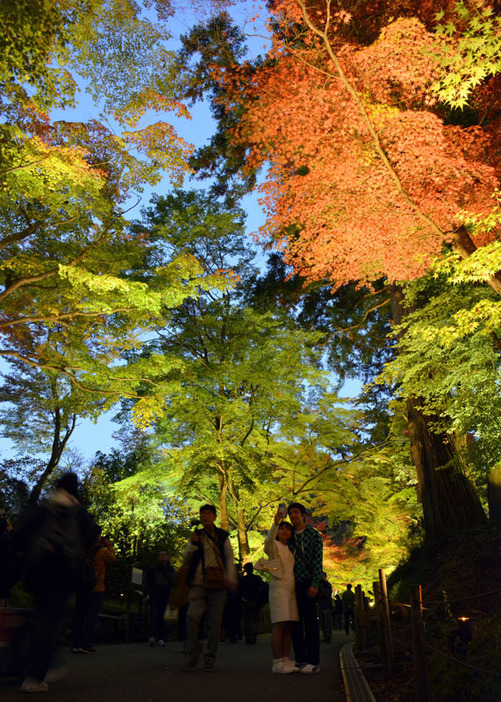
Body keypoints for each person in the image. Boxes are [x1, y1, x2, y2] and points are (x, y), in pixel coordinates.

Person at [16, 472, 95, 692]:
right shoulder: (77, 511)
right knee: (51, 622)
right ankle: (35, 676)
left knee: (41, 619)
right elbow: (90, 537)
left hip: (38, 572)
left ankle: (41, 665)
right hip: (62, 573)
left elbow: (22, 535)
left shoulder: (45, 506)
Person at [183, 504, 237, 672]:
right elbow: (186, 559)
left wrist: (230, 578)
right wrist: (192, 545)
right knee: (192, 617)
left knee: (215, 622)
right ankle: (194, 649)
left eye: (208, 513)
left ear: (214, 516)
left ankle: (209, 658)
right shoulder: (196, 535)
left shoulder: (222, 536)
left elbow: (229, 558)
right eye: (202, 514)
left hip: (218, 583)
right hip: (198, 583)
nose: (204, 517)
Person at [288, 501, 323, 674]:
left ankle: (313, 661)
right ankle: (300, 658)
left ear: (303, 515)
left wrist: (315, 583)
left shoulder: (314, 535)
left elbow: (318, 561)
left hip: (308, 584)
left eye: (296, 512)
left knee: (310, 623)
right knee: (295, 623)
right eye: (290, 513)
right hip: (292, 585)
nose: (293, 515)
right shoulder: (288, 536)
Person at [263, 510, 299, 674]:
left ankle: (286, 658)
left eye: (288, 529)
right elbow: (267, 542)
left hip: (290, 591)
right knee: (279, 625)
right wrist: (275, 523)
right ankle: (277, 661)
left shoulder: (290, 549)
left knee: (288, 626)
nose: (285, 531)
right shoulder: (275, 547)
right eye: (282, 529)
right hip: (278, 589)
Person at [71, 528, 116, 653]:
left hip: (82, 588)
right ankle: (86, 644)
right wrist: (110, 546)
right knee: (91, 617)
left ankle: (75, 644)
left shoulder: (82, 549)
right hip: (96, 587)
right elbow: (113, 560)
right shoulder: (102, 551)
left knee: (79, 616)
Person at [143, 550, 175, 647]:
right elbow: (148, 582)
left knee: (163, 617)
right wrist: (145, 595)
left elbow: (174, 583)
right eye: (161, 555)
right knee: (155, 616)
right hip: (155, 594)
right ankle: (154, 636)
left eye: (164, 555)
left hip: (166, 594)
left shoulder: (171, 570)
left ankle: (161, 637)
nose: (163, 556)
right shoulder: (154, 569)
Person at [239, 562, 263, 645]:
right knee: (255, 619)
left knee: (246, 620)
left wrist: (242, 598)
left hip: (245, 601)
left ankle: (247, 637)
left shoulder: (243, 579)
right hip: (255, 601)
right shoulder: (257, 579)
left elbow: (239, 590)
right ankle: (254, 635)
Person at [317, 571, 333, 643]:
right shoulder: (319, 584)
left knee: (327, 622)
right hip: (321, 605)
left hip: (326, 606)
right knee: (322, 623)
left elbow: (326, 594)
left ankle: (328, 637)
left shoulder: (327, 585)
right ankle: (325, 636)